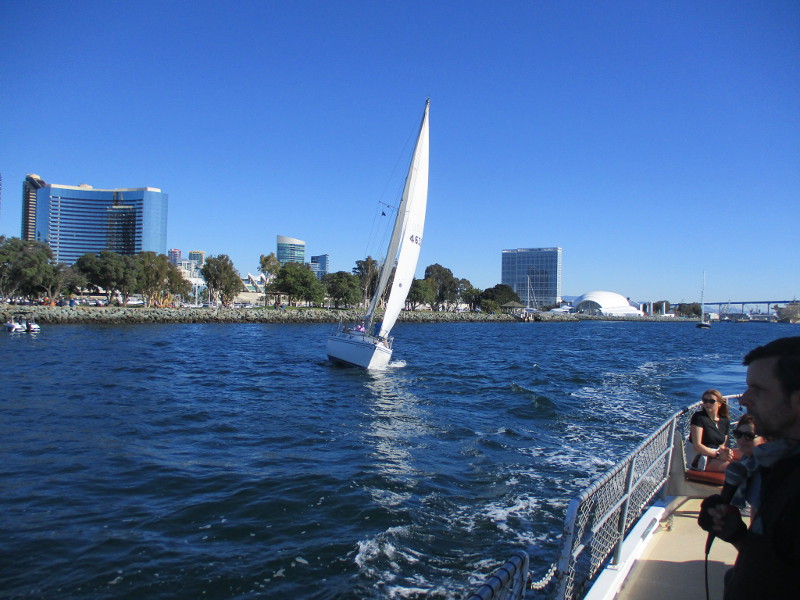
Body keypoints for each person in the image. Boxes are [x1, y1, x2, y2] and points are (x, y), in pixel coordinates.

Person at [698, 336, 800, 599]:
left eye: (758, 389)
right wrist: (737, 534)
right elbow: (776, 561)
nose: (744, 399)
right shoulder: (777, 467)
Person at [689, 389, 732, 472]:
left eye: (711, 401)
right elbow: (697, 445)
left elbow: (722, 445)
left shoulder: (725, 420)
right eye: (705, 401)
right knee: (734, 468)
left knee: (743, 459)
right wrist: (718, 455)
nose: (707, 404)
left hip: (715, 455)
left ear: (719, 404)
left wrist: (726, 452)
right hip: (700, 457)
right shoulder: (699, 417)